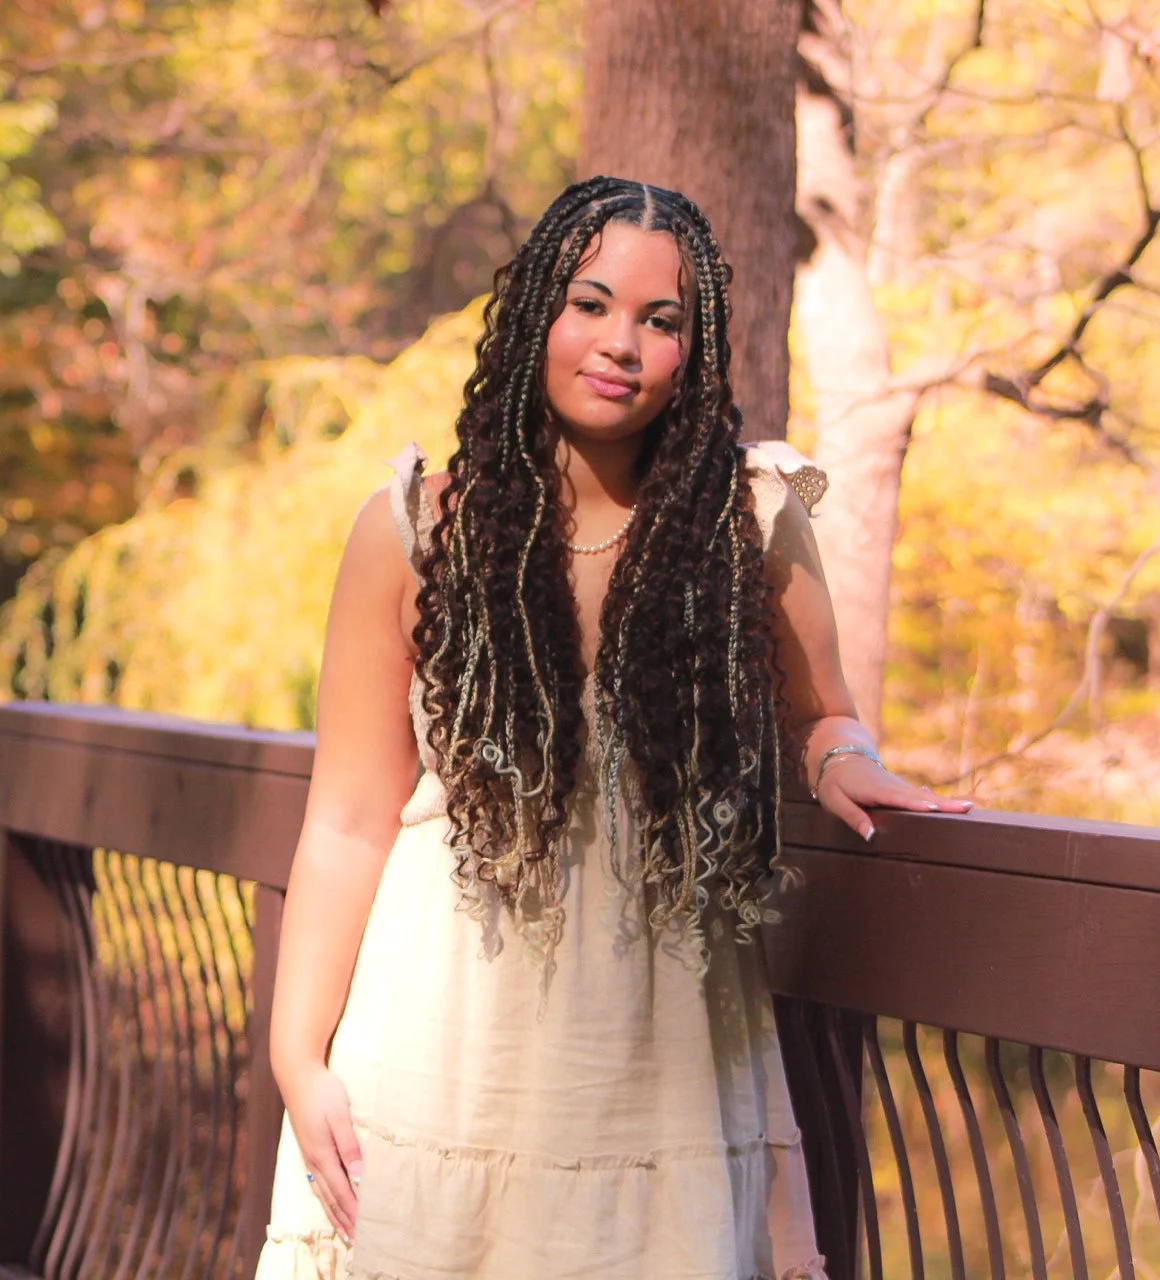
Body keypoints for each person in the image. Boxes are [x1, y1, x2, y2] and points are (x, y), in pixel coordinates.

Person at [254, 176, 973, 1280]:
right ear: (536, 308)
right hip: (436, 1058)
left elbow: (827, 710)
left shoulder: (753, 520)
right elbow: (348, 819)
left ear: (698, 346)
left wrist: (848, 761)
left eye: (660, 319)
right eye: (589, 304)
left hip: (662, 1064)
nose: (619, 343)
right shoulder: (410, 532)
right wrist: (298, 1056)